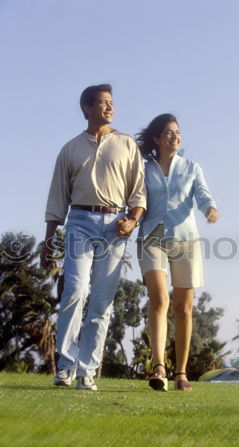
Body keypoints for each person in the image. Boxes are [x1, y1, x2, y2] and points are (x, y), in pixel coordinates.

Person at [40, 84, 146, 391]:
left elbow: (138, 193)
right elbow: (57, 199)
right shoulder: (70, 149)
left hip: (116, 224)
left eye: (111, 102)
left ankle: (87, 371)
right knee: (74, 290)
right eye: (102, 102)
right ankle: (65, 366)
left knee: (102, 300)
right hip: (80, 222)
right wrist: (48, 241)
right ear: (87, 108)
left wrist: (133, 220)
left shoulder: (126, 144)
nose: (110, 107)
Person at [136, 114, 218, 391]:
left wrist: (210, 208)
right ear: (157, 138)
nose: (175, 136)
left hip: (186, 240)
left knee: (184, 308)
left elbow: (203, 194)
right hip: (151, 237)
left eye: (178, 132)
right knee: (159, 299)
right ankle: (159, 366)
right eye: (169, 132)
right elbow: (136, 197)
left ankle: (181, 373)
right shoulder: (144, 167)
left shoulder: (191, 167)